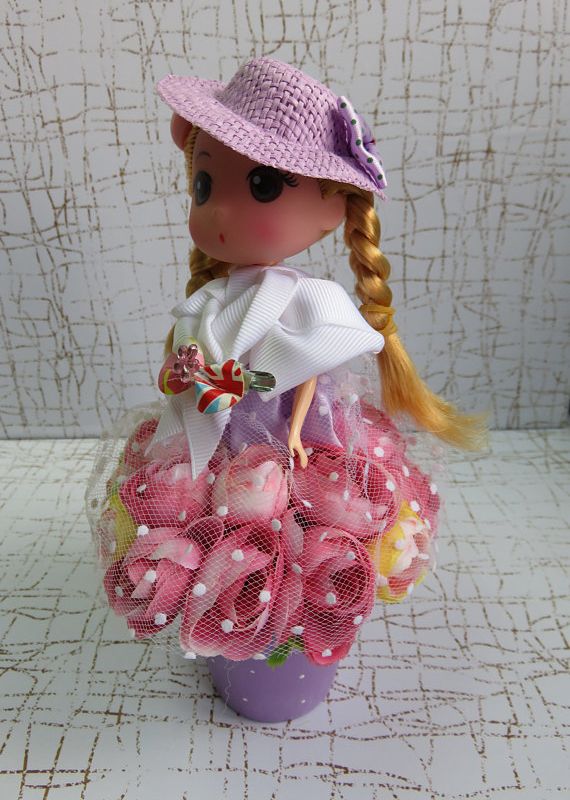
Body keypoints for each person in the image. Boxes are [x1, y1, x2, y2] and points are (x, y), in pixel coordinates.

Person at [86, 57, 484, 665]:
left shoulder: (309, 303)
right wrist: (183, 374)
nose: (218, 212)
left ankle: (284, 629)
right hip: (222, 437)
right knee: (212, 497)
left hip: (282, 435)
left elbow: (306, 374)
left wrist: (296, 432)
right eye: (204, 186)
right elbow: (183, 376)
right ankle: (238, 626)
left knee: (300, 513)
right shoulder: (208, 303)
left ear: (331, 208)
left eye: (262, 185)